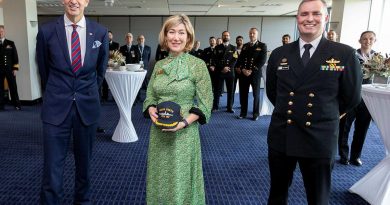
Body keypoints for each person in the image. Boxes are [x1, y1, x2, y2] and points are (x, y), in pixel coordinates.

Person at [266, 0, 362, 204]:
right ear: (297, 18)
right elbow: (274, 93)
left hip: (319, 137)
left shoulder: (344, 54)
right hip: (283, 134)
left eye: (316, 14)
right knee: (277, 194)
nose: (310, 19)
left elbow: (352, 97)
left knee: (318, 198)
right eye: (304, 14)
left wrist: (324, 115)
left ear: (326, 18)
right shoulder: (279, 54)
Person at [36, 0, 109, 204]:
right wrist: (58, 91)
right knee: (52, 166)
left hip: (87, 107)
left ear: (87, 1)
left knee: (84, 164)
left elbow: (100, 71)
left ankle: (82, 201)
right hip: (55, 107)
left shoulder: (100, 32)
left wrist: (87, 92)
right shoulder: (47, 31)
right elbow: (43, 69)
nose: (73, 1)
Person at [143, 14, 212, 204]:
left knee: (181, 179)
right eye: (171, 32)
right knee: (159, 177)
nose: (176, 37)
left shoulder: (197, 65)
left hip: (185, 134)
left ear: (188, 37)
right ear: (165, 37)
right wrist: (150, 108)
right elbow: (150, 95)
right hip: (158, 132)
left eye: (181, 32)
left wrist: (183, 122)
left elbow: (206, 102)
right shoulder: (159, 65)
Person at [338, 31, 376, 166]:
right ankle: (343, 155)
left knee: (362, 128)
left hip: (368, 100)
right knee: (344, 128)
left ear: (374, 41)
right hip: (351, 97)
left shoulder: (379, 58)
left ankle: (356, 156)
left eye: (371, 38)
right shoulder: (351, 55)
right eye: (365, 38)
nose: (368, 41)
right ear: (359, 40)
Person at [236, 28, 267, 121]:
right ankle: (243, 113)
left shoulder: (262, 46)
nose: (252, 35)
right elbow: (240, 59)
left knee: (256, 94)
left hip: (255, 74)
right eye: (250, 33)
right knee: (243, 94)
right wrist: (243, 69)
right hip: (244, 74)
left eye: (253, 33)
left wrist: (251, 70)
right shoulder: (245, 46)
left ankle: (255, 113)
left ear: (257, 34)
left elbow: (262, 60)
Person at [213, 31, 237, 113]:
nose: (226, 37)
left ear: (229, 37)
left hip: (230, 72)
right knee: (217, 90)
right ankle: (215, 106)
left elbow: (235, 59)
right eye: (224, 35)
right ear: (222, 37)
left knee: (231, 90)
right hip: (220, 71)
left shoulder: (234, 48)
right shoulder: (217, 47)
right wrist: (223, 67)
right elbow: (215, 59)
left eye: (227, 35)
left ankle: (229, 107)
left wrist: (228, 67)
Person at [0, 25, 21, 111]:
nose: (0, 33)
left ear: (4, 32)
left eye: (1, 31)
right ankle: (1, 105)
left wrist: (15, 69)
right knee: (0, 88)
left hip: (9, 69)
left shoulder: (10, 43)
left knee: (13, 87)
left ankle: (17, 105)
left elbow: (15, 57)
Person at [101, 30, 119, 102]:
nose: (109, 37)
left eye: (110, 35)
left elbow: (117, 55)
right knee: (105, 82)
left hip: (114, 66)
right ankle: (105, 96)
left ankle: (115, 98)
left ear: (112, 36)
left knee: (115, 82)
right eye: (108, 35)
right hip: (105, 65)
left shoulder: (116, 44)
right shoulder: (103, 44)